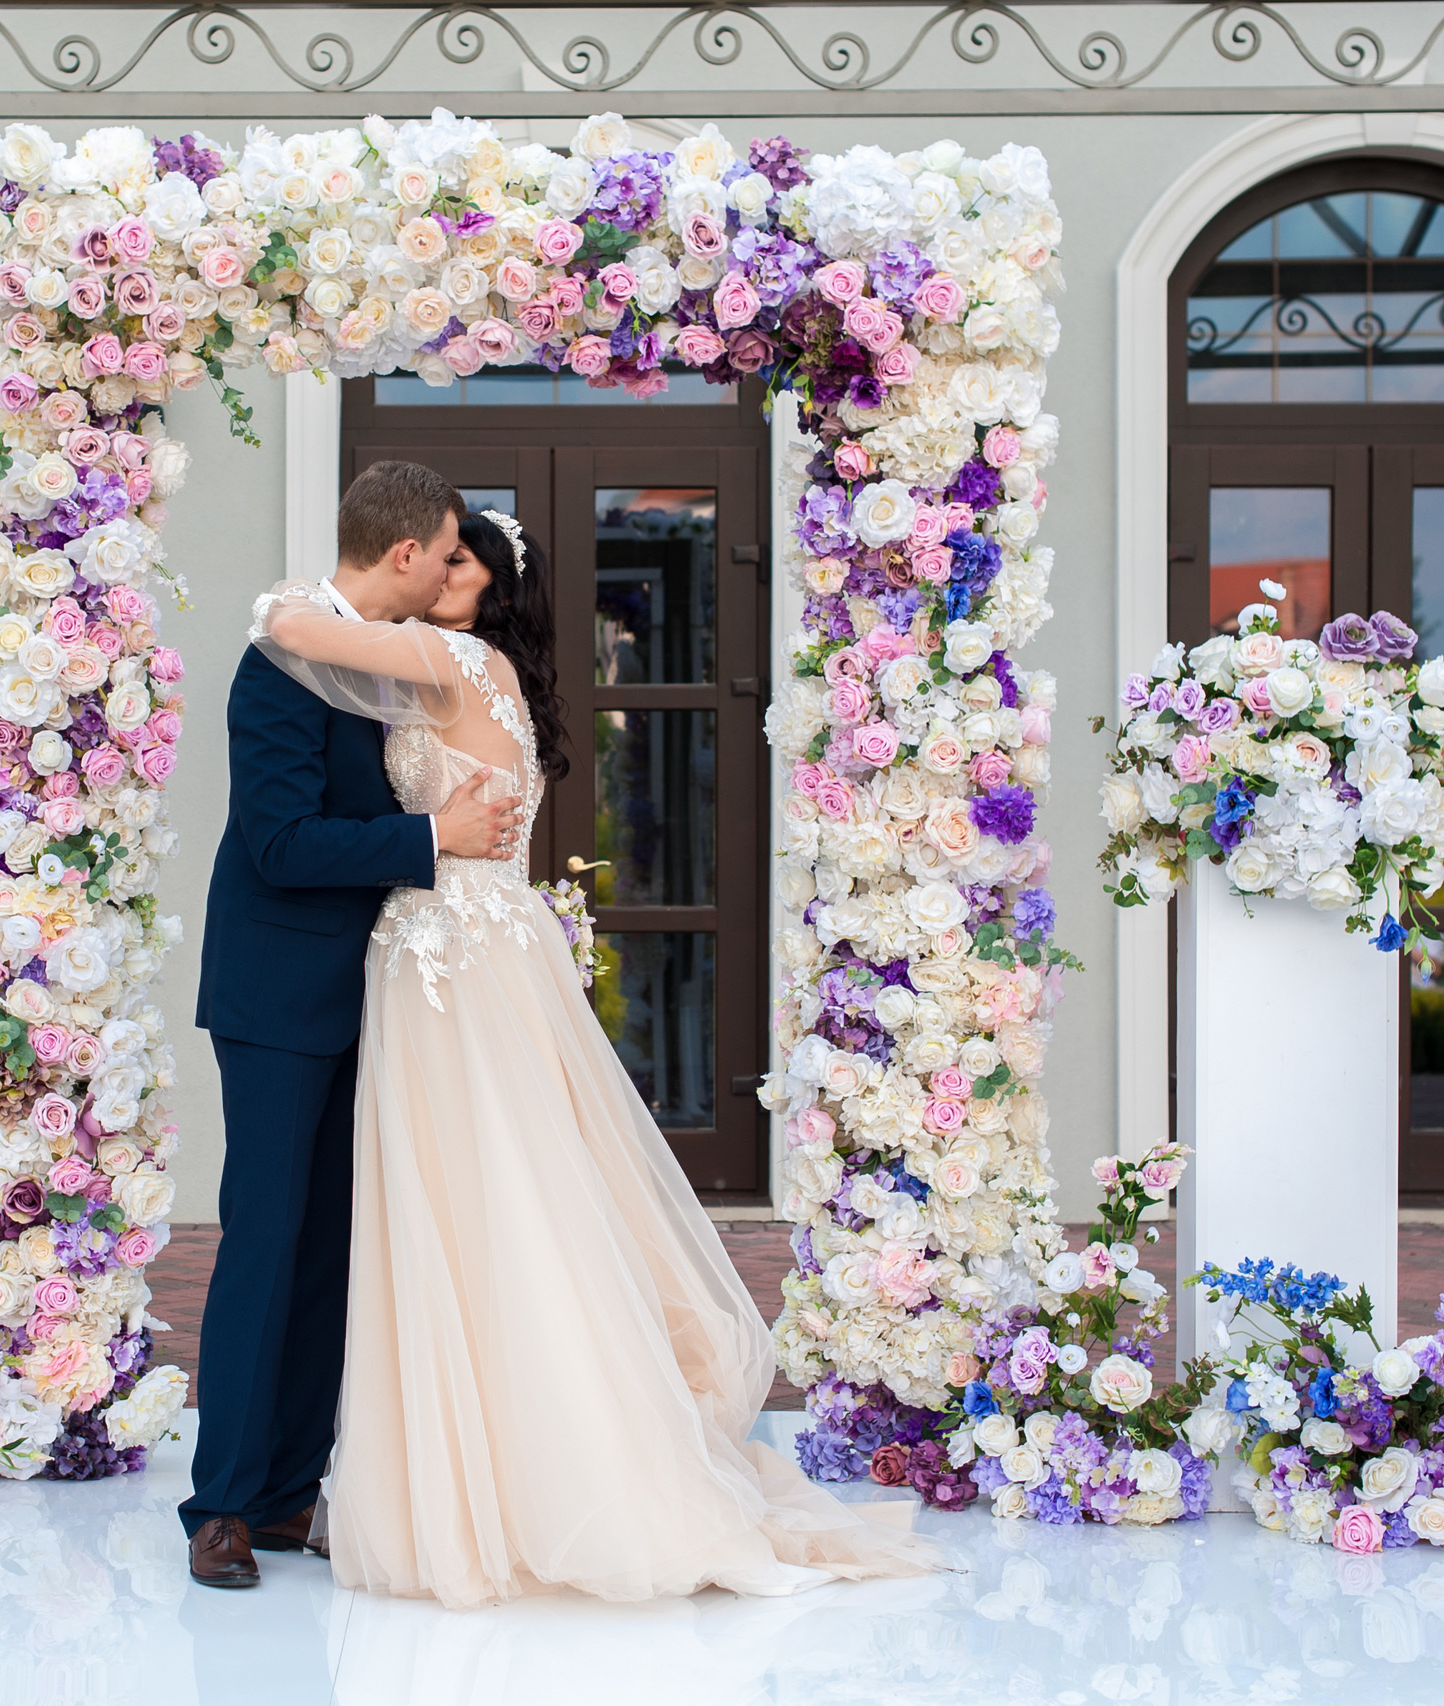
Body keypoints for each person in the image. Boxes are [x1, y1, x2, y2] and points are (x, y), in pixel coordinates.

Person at [242, 506, 936, 1609]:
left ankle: (502, 1480)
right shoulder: (493, 673)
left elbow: (299, 628)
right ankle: (505, 1464)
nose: (434, 573)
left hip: (447, 952)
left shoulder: (449, 654)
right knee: (497, 1198)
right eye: (435, 554)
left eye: (457, 560)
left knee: (474, 1204)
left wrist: (294, 598)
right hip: (475, 942)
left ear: (487, 585)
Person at [185, 462, 524, 1588]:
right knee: (266, 1241)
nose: (446, 568)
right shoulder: (279, 661)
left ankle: (288, 1490)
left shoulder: (384, 662)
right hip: (280, 996)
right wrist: (433, 841)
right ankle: (222, 1503)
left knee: (336, 1249)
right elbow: (278, 842)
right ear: (401, 556)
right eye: (441, 550)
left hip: (381, 992)